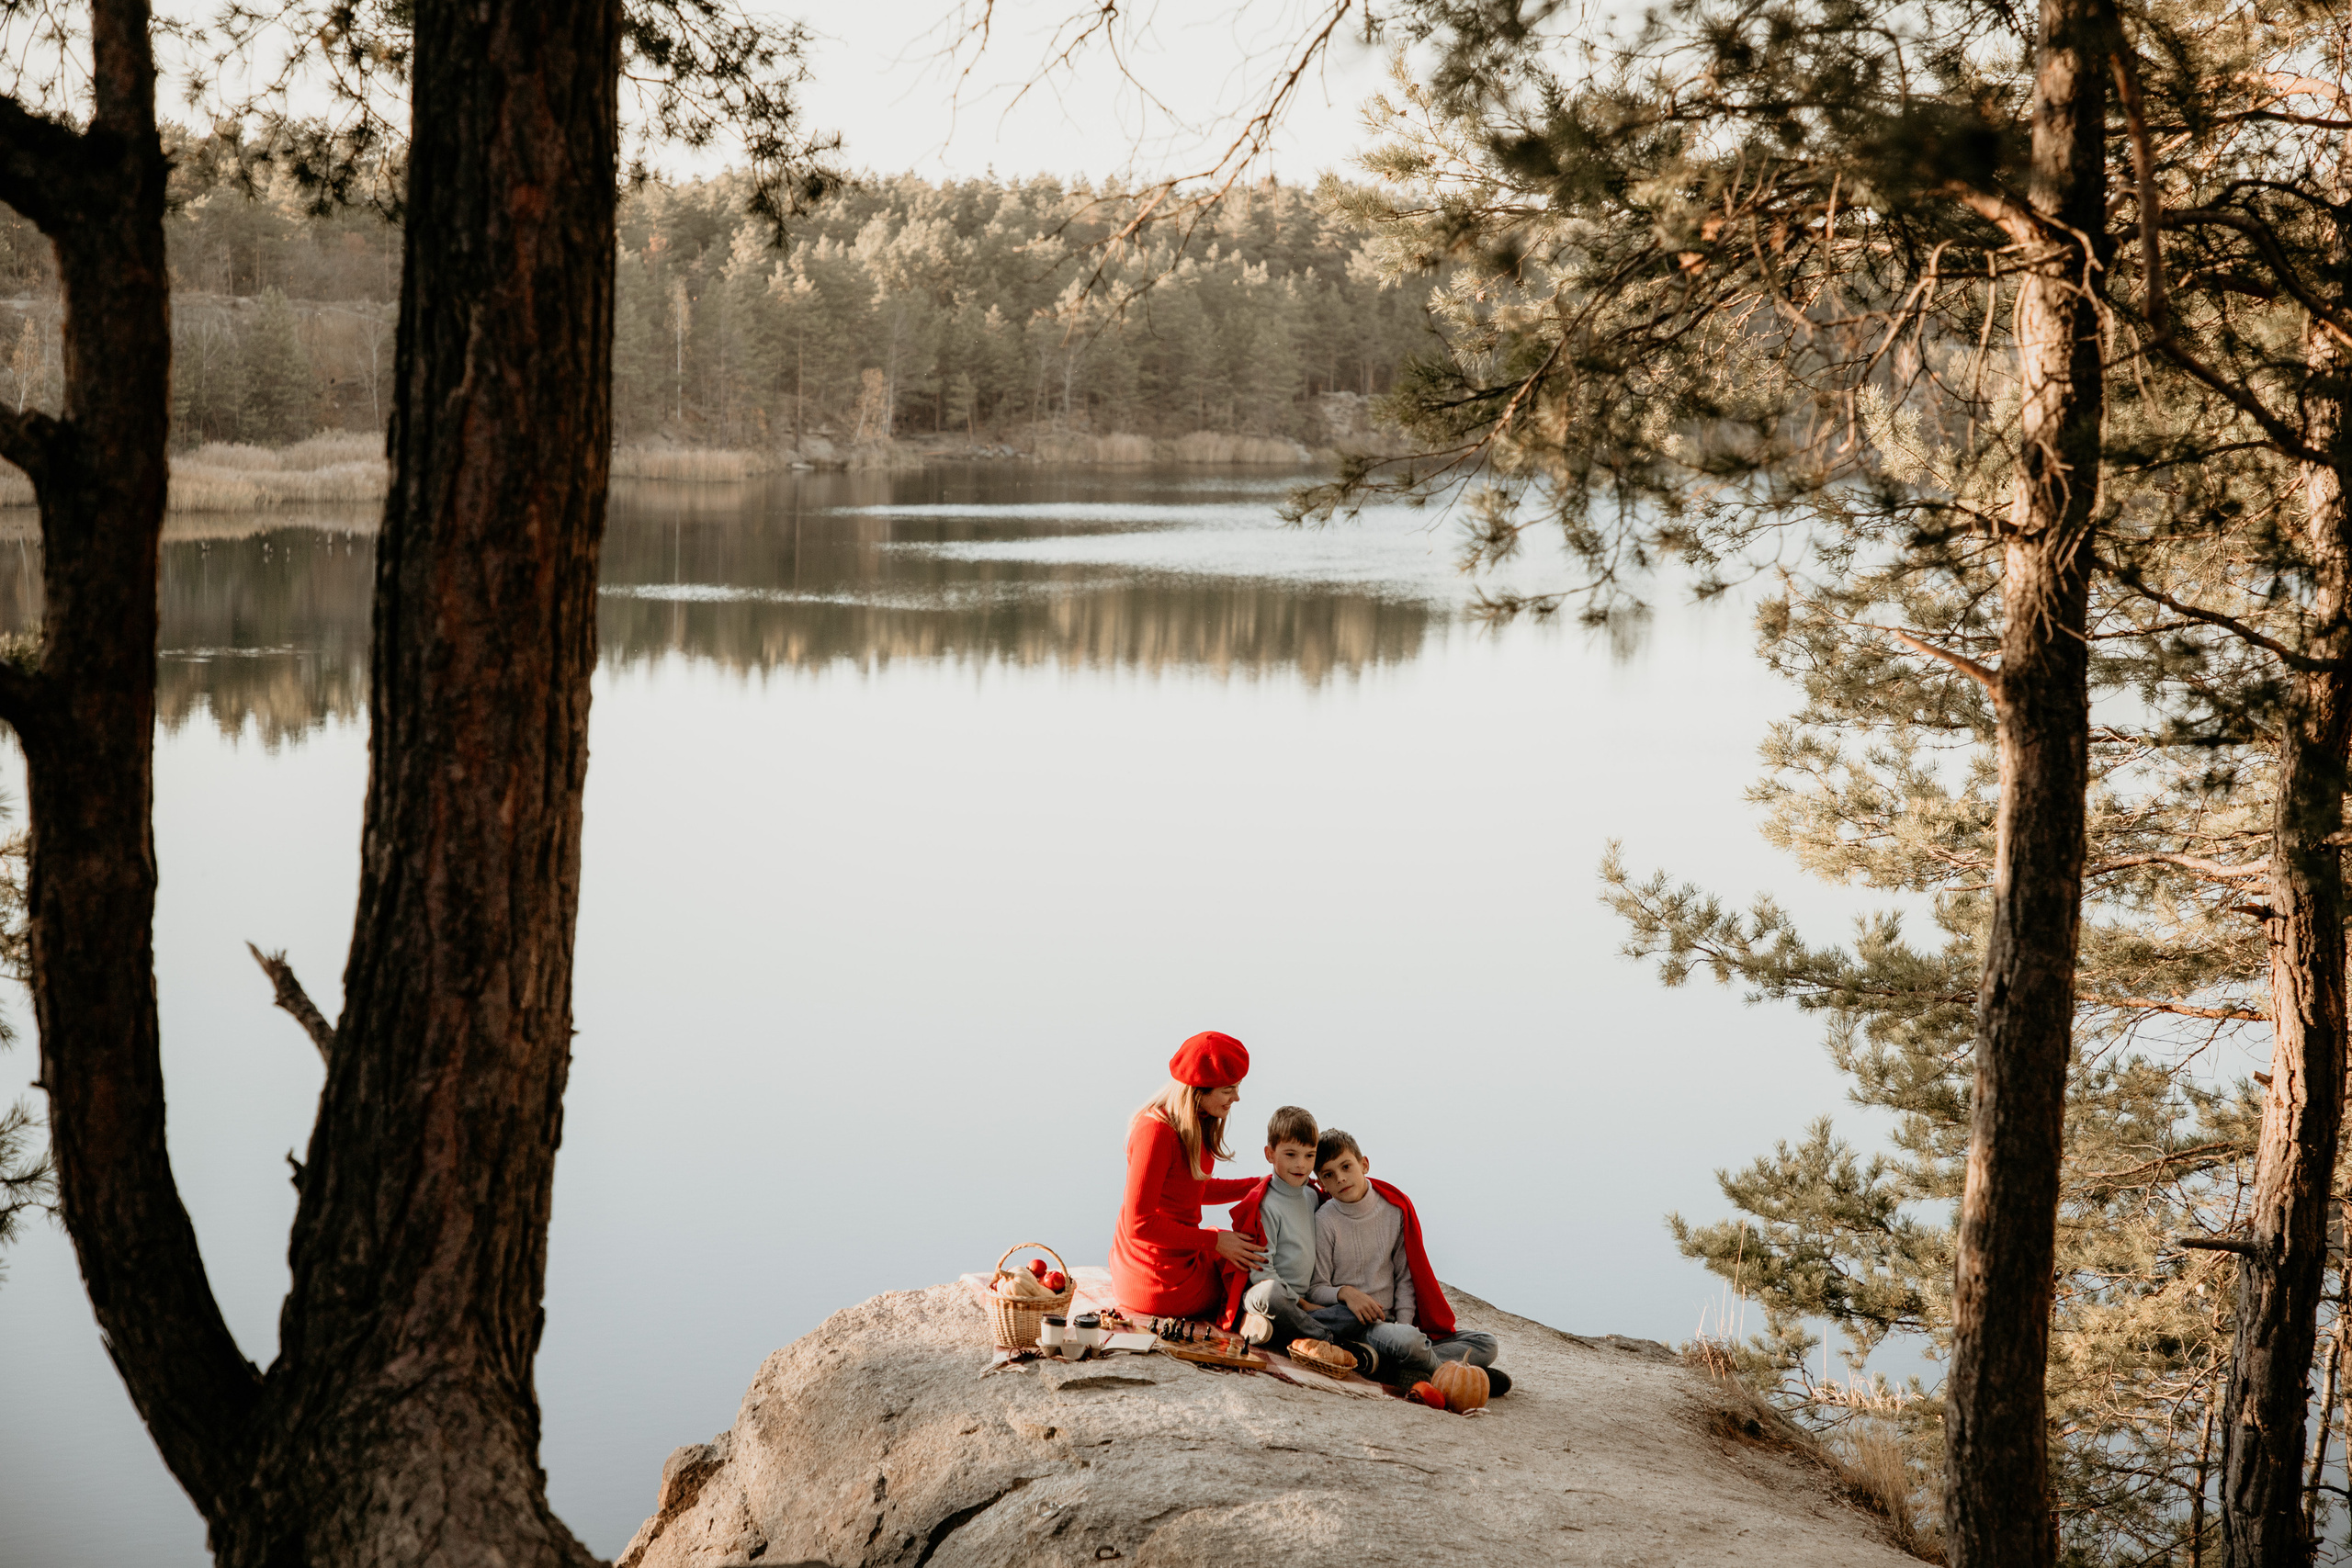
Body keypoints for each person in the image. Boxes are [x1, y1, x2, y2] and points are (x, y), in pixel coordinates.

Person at [1307, 1128, 1510, 1392]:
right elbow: (1315, 1288)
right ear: (1322, 1183)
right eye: (1329, 1175)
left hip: (1395, 1326)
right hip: (1361, 1326)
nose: (1341, 1178)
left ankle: (1409, 1368)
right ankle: (1454, 1377)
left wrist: (1404, 1326)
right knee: (1410, 1343)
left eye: (1346, 1166)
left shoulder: (1392, 1210)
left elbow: (1405, 1278)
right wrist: (1346, 1293)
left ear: (1364, 1164)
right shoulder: (1326, 1221)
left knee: (1486, 1343)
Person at [1110, 1030, 1266, 1329]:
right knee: (1247, 1265)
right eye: (1228, 1089)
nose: (1237, 1097)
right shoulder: (1155, 1132)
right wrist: (1216, 1242)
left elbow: (1191, 1190)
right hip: (1158, 1284)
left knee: (1238, 1248)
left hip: (1163, 1269)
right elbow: (1139, 1224)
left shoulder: (1195, 1121)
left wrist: (1257, 1183)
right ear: (1198, 1091)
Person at [1220, 1106, 1358, 1371]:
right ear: (1270, 1154)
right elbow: (1261, 1272)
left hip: (1305, 1304)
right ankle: (1331, 1340)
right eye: (1291, 1155)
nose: (1301, 1164)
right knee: (1272, 1296)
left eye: (1309, 1156)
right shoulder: (1267, 1205)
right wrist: (1303, 1304)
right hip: (1269, 1293)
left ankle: (1280, 1331)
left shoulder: (1311, 1197)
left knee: (1356, 1314)